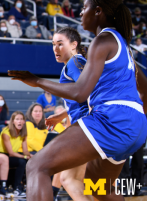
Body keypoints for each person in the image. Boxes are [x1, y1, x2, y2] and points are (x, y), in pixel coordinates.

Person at [8, 0, 147, 201]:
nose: (81, 13)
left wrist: (36, 80)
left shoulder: (100, 43)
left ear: (98, 11)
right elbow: (144, 90)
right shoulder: (124, 48)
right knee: (99, 188)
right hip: (135, 126)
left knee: (37, 166)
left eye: (84, 8)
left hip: (111, 121)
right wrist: (137, 122)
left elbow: (81, 93)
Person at [45, 27, 93, 201]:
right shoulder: (76, 63)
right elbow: (81, 95)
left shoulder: (74, 62)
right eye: (53, 44)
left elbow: (87, 90)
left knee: (67, 177)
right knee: (86, 182)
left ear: (74, 45)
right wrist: (62, 115)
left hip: (86, 127)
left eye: (60, 44)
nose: (55, 49)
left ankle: (49, 195)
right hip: (91, 126)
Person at [0, 111, 31, 198]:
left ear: (24, 121)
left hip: (13, 155)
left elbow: (25, 150)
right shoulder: (6, 132)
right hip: (2, 155)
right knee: (21, 162)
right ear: (13, 121)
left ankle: (24, 186)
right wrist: (25, 156)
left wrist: (30, 156)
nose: (19, 121)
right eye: (17, 119)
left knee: (28, 161)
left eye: (21, 119)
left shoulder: (23, 133)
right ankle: (16, 188)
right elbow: (10, 153)